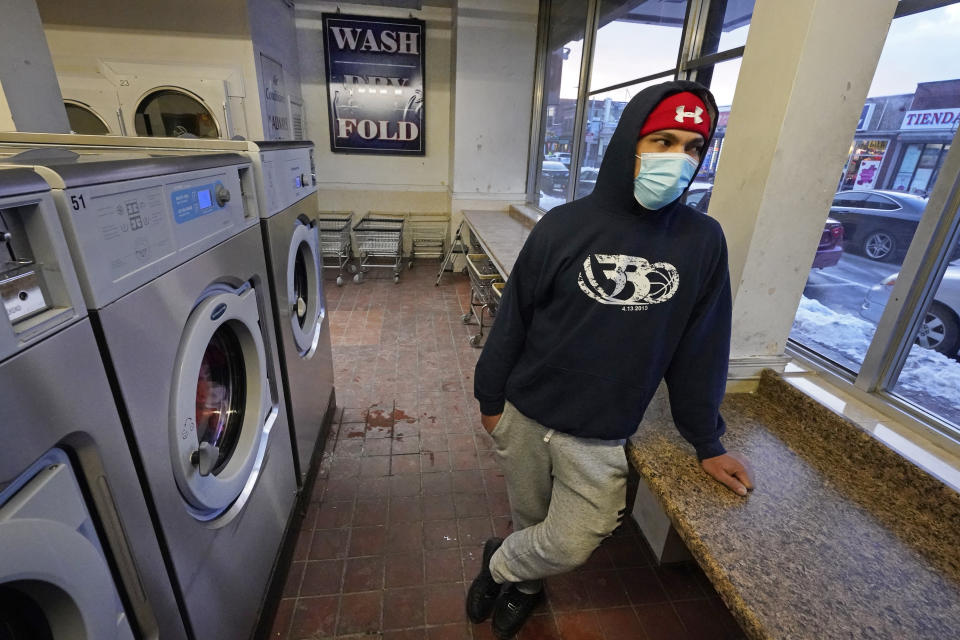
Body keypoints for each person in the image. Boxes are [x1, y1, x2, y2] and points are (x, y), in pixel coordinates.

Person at [465, 80, 754, 639]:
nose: (679, 160)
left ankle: (500, 563)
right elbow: (515, 321)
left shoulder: (702, 242)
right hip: (525, 415)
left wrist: (707, 440)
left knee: (575, 536)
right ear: (629, 145)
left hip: (600, 434)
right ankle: (525, 586)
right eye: (663, 142)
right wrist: (490, 401)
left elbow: (702, 350)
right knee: (531, 514)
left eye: (693, 147)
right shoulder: (564, 225)